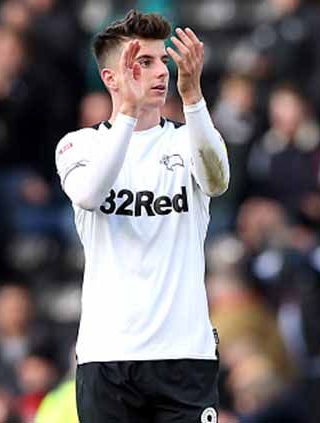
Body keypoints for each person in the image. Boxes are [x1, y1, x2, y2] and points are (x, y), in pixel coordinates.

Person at [53, 10, 229, 422]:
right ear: (111, 79)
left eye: (162, 61)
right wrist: (128, 114)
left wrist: (193, 99)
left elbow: (217, 181)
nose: (158, 72)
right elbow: (90, 193)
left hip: (185, 354)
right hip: (108, 356)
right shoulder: (78, 146)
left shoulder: (190, 139)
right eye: (143, 62)